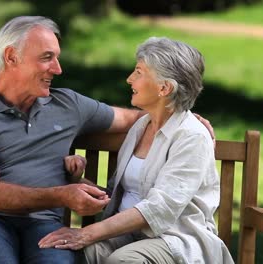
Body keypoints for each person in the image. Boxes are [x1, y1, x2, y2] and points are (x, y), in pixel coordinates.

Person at [0, 16, 214, 264]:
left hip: (44, 224)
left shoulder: (68, 104)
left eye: (57, 57)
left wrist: (182, 112)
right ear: (11, 57)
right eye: (47, 57)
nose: (57, 69)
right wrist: (63, 192)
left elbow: (137, 116)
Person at [38, 37, 234, 264]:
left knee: (123, 261)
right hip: (128, 235)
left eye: (139, 72)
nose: (129, 79)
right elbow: (120, 195)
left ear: (164, 87)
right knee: (67, 255)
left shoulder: (192, 137)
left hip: (175, 240)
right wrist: (76, 179)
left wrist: (85, 233)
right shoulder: (141, 127)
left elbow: (159, 209)